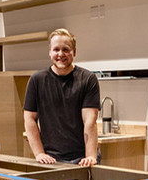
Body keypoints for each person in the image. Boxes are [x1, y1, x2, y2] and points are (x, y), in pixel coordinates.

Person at [23, 28, 100, 166]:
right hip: (50, 159)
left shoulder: (88, 79)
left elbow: (90, 122)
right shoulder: (37, 80)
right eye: (56, 49)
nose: (60, 54)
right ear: (50, 52)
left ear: (74, 52)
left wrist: (90, 157)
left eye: (66, 49)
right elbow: (29, 119)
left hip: (81, 158)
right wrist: (39, 153)